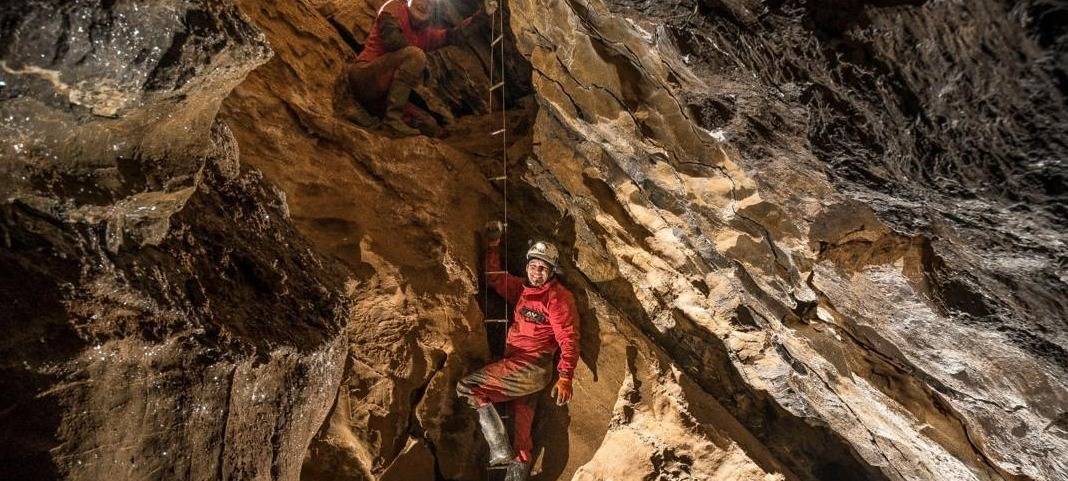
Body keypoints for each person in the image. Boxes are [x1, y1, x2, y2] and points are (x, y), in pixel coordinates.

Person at [456, 222, 580, 481]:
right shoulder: (523, 290)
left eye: (543, 268)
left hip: (531, 366)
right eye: (533, 266)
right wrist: (492, 246)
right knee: (522, 432)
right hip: (520, 367)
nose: (537, 272)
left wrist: (566, 376)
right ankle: (516, 474)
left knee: (469, 388)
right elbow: (495, 279)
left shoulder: (557, 298)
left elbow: (568, 339)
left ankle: (499, 448)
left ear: (551, 272)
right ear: (527, 267)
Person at [341, 0, 485, 136]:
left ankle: (372, 120)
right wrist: (420, 63)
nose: (424, 4)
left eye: (430, 2)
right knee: (416, 55)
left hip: (381, 98)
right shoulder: (393, 8)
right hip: (364, 77)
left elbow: (453, 36)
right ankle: (392, 121)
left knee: (430, 125)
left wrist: (482, 16)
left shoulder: (427, 35)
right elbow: (392, 40)